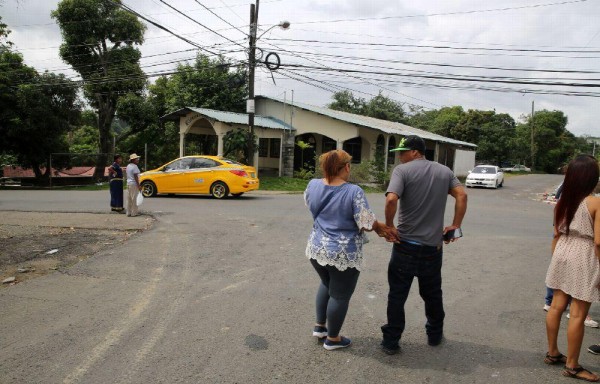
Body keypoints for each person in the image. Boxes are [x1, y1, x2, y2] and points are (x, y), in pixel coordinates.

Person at [380, 135, 468, 355]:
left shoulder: (403, 172)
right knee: (432, 294)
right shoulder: (444, 171)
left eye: (402, 152)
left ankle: (391, 341)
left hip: (405, 246)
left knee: (397, 295)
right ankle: (435, 335)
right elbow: (462, 195)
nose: (399, 157)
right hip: (432, 249)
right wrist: (455, 225)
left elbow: (391, 199)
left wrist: (390, 225)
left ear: (416, 152)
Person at [305, 149, 397, 351]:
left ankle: (320, 327)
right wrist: (382, 228)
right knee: (339, 295)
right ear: (347, 167)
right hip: (343, 253)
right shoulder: (353, 191)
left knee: (326, 284)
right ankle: (333, 338)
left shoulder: (312, 185)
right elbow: (365, 222)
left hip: (316, 248)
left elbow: (311, 206)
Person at [545, 154, 600, 382]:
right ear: (591, 177)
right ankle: (573, 365)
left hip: (562, 251)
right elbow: (598, 241)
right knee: (577, 313)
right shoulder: (595, 202)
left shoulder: (563, 201)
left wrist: (557, 257)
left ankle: (553, 352)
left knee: (556, 306)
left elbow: (556, 233)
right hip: (584, 253)